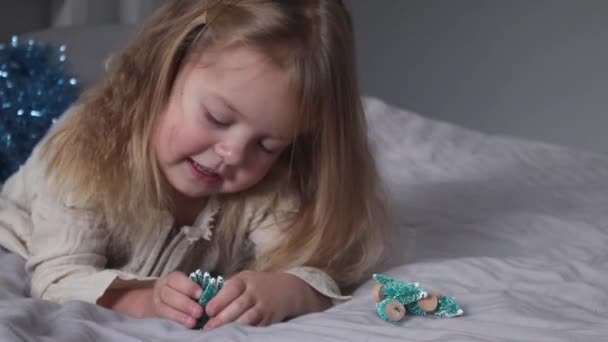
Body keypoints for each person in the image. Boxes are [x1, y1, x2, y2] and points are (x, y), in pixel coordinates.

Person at [0, 0, 386, 330]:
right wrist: (143, 301)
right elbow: (58, 278)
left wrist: (286, 289)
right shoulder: (86, 152)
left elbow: (319, 267)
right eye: (218, 118)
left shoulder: (266, 185)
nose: (234, 154)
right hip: (24, 242)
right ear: (161, 74)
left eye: (267, 145)